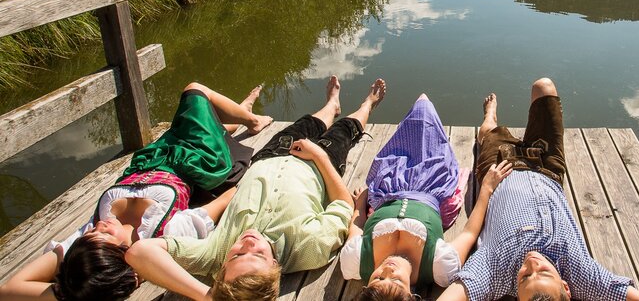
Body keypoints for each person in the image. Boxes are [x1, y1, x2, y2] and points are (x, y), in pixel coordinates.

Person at [0, 82, 273, 301]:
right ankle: (251, 118)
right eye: (105, 235)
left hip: (151, 156)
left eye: (92, 232)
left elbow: (9, 290)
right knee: (194, 91)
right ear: (124, 253)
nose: (98, 226)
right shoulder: (165, 232)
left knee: (204, 126)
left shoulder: (88, 245)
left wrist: (75, 292)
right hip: (194, 159)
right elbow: (227, 198)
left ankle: (242, 112)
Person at [125, 76, 385, 301]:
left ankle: (331, 105)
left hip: (270, 155)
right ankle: (368, 104)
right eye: (258, 255)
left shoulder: (214, 254)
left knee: (310, 123)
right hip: (319, 166)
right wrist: (318, 156)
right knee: (345, 130)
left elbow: (139, 252)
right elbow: (343, 204)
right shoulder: (310, 248)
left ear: (222, 269)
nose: (248, 243)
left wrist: (209, 296)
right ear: (275, 266)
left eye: (236, 255)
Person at [438, 78, 639, 301]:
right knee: (543, 87)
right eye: (544, 272)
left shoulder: (495, 273)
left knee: (487, 133)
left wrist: (487, 186)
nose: (532, 263)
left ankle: (490, 116)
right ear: (565, 287)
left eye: (524, 277)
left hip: (498, 172)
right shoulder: (581, 275)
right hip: (546, 167)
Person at [339, 94, 512, 299]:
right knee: (425, 108)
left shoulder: (354, 261)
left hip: (390, 183)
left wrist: (360, 203)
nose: (388, 270)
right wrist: (486, 188)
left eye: (378, 278)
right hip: (430, 185)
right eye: (396, 281)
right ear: (412, 295)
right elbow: (469, 233)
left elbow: (357, 225)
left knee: (416, 110)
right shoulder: (439, 266)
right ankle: (489, 117)